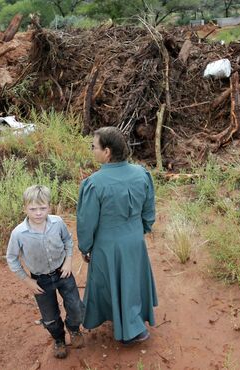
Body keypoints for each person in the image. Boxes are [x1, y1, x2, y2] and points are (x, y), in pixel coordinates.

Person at [77, 126, 157, 345]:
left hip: (107, 245)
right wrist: (138, 231)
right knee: (130, 280)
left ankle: (131, 331)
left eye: (94, 147)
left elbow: (86, 223)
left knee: (109, 281)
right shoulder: (142, 173)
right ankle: (133, 320)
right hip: (134, 240)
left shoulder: (94, 183)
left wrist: (85, 247)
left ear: (107, 152)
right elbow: (149, 212)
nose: (92, 150)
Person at [6, 185, 85, 359]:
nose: (38, 213)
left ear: (50, 206)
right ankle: (58, 339)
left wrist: (68, 261)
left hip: (63, 273)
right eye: (33, 209)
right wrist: (27, 280)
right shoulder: (19, 233)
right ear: (24, 208)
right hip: (40, 280)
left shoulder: (57, 222)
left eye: (43, 208)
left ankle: (73, 329)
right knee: (49, 316)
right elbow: (12, 259)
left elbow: (68, 241)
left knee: (76, 307)